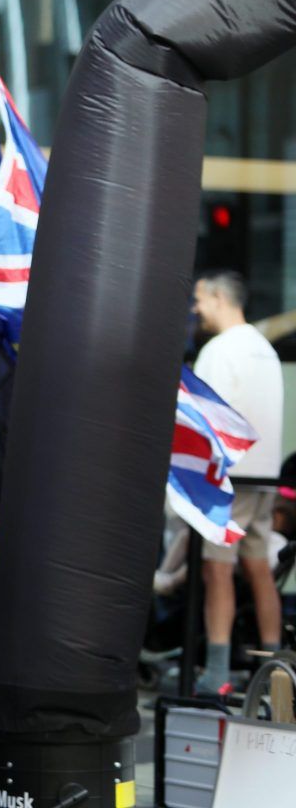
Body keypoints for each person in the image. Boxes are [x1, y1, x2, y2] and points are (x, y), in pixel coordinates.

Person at [191, 270, 285, 694]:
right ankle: (277, 666)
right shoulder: (263, 348)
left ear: (217, 297)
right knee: (260, 568)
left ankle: (216, 671)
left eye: (199, 300)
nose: (196, 309)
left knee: (217, 569)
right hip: (265, 474)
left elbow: (205, 415)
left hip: (229, 477)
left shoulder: (220, 349)